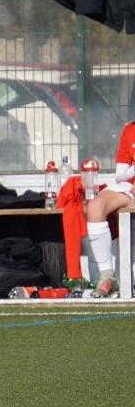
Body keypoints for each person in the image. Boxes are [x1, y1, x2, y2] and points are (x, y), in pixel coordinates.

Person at [86, 121, 135, 298]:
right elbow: (120, 175)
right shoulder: (130, 130)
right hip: (129, 187)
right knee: (95, 206)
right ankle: (107, 277)